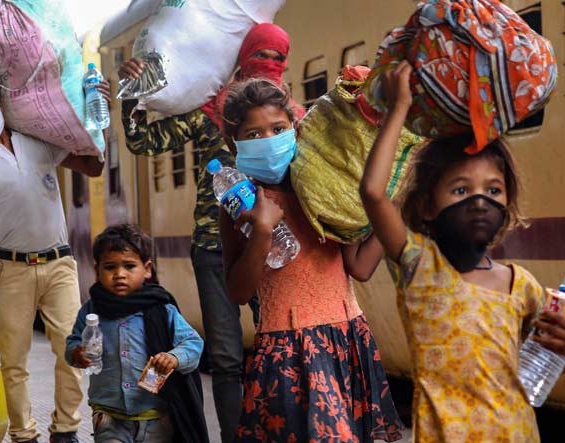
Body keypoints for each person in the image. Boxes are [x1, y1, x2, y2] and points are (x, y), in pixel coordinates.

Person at [359, 62, 565, 442]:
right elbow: (372, 192)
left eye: (493, 190)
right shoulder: (420, 265)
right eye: (460, 190)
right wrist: (398, 108)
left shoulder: (523, 287)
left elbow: (543, 363)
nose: (480, 202)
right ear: (425, 206)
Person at [117, 23, 303, 443]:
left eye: (276, 58)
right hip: (213, 245)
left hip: (274, 244)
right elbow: (143, 141)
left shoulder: (291, 118)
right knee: (225, 355)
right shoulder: (213, 114)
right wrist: (131, 93)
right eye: (260, 56)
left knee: (279, 345)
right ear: (242, 57)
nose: (267, 67)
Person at [218, 78, 404, 442]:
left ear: (296, 129)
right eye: (253, 135)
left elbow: (360, 267)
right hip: (289, 349)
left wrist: (392, 207)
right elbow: (238, 291)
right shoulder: (240, 205)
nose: (268, 140)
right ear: (233, 143)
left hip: (347, 338)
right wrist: (262, 232)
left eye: (277, 129)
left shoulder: (321, 189)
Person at [0, 70, 106, 443]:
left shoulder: (36, 141)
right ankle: (24, 434)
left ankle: (66, 429)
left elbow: (94, 168)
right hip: (11, 269)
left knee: (73, 349)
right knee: (13, 362)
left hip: (60, 264)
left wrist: (100, 123)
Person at [66, 224, 206, 443]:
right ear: (97, 270)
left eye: (129, 266)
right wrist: (75, 353)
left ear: (147, 269)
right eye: (110, 267)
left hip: (155, 417)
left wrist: (174, 357)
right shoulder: (91, 310)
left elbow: (193, 343)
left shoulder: (161, 309)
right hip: (109, 416)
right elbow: (73, 340)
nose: (119, 274)